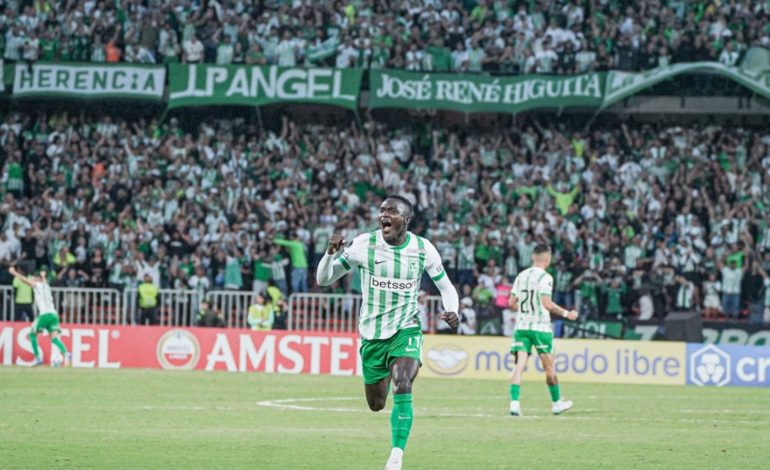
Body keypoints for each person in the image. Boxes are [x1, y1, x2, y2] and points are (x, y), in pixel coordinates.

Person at [316, 195, 459, 470]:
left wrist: (452, 309)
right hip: (372, 335)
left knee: (403, 382)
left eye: (391, 211)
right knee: (377, 404)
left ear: (406, 219)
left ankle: (396, 455)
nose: (384, 215)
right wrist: (329, 254)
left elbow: (447, 287)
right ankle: (393, 437)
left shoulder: (422, 248)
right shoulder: (363, 244)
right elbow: (323, 279)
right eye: (382, 210)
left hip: (406, 328)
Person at [508, 243, 578, 417]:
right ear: (548, 258)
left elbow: (511, 303)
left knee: (519, 367)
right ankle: (556, 404)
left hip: (521, 327)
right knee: (549, 368)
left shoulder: (521, 275)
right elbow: (547, 304)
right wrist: (567, 313)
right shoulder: (545, 277)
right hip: (540, 328)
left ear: (533, 257)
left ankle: (514, 404)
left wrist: (525, 310)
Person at [8, 266, 70, 367]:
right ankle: (66, 354)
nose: (31, 278)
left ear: (38, 279)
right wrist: (43, 276)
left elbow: (24, 280)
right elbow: (43, 281)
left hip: (45, 315)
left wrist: (14, 273)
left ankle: (38, 358)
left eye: (33, 277)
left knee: (32, 334)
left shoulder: (37, 285)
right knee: (54, 338)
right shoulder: (46, 285)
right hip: (54, 315)